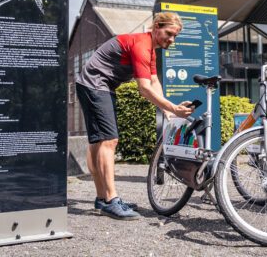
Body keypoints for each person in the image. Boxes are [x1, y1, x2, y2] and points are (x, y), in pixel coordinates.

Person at [76, 12, 194, 220]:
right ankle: (111, 200)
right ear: (156, 27)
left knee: (98, 141)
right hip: (94, 84)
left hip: (97, 85)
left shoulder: (150, 50)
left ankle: (102, 199)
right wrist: (174, 109)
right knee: (109, 140)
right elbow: (144, 89)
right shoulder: (141, 45)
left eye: (175, 36)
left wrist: (167, 109)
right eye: (169, 33)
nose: (172, 40)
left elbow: (154, 82)